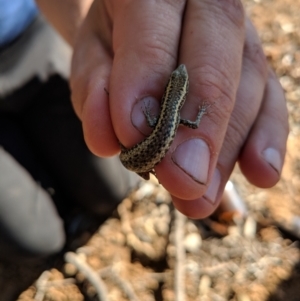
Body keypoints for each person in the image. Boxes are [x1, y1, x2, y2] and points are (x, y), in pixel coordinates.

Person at [0, 0, 288, 260]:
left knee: (107, 191)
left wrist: (94, 25)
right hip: (135, 155)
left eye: (179, 81)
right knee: (37, 239)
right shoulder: (173, 114)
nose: (180, 77)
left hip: (30, 31)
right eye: (180, 80)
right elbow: (188, 123)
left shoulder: (169, 112)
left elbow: (164, 123)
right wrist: (199, 112)